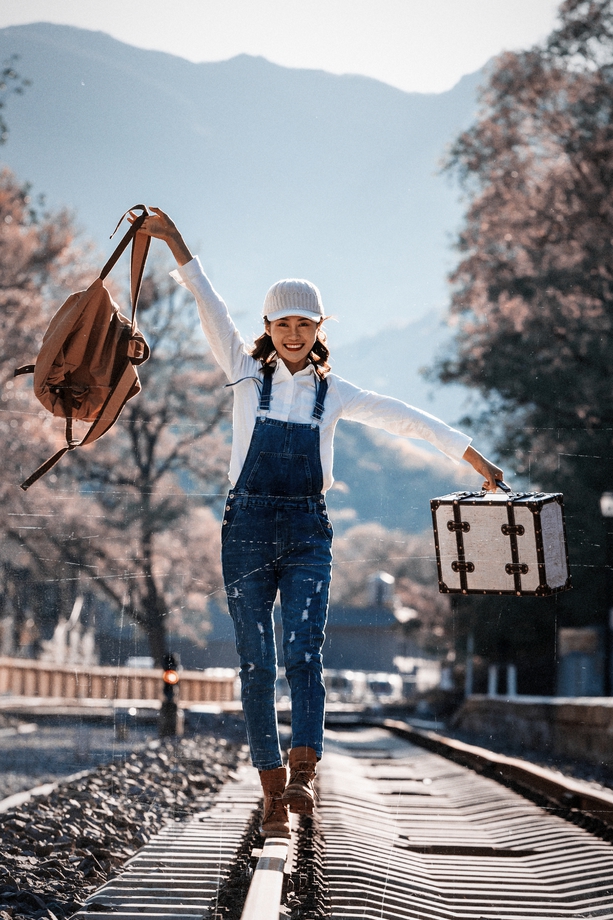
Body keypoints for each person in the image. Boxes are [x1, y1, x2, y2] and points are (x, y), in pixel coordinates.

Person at [134, 208, 504, 838]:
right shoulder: (243, 371)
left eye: (305, 323)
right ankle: (271, 793)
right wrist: (173, 240)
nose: (294, 333)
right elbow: (208, 302)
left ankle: (304, 774)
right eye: (283, 323)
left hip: (308, 532)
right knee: (256, 664)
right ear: (268, 328)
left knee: (305, 654)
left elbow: (404, 417)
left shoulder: (335, 393)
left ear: (319, 329)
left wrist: (472, 458)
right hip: (246, 531)